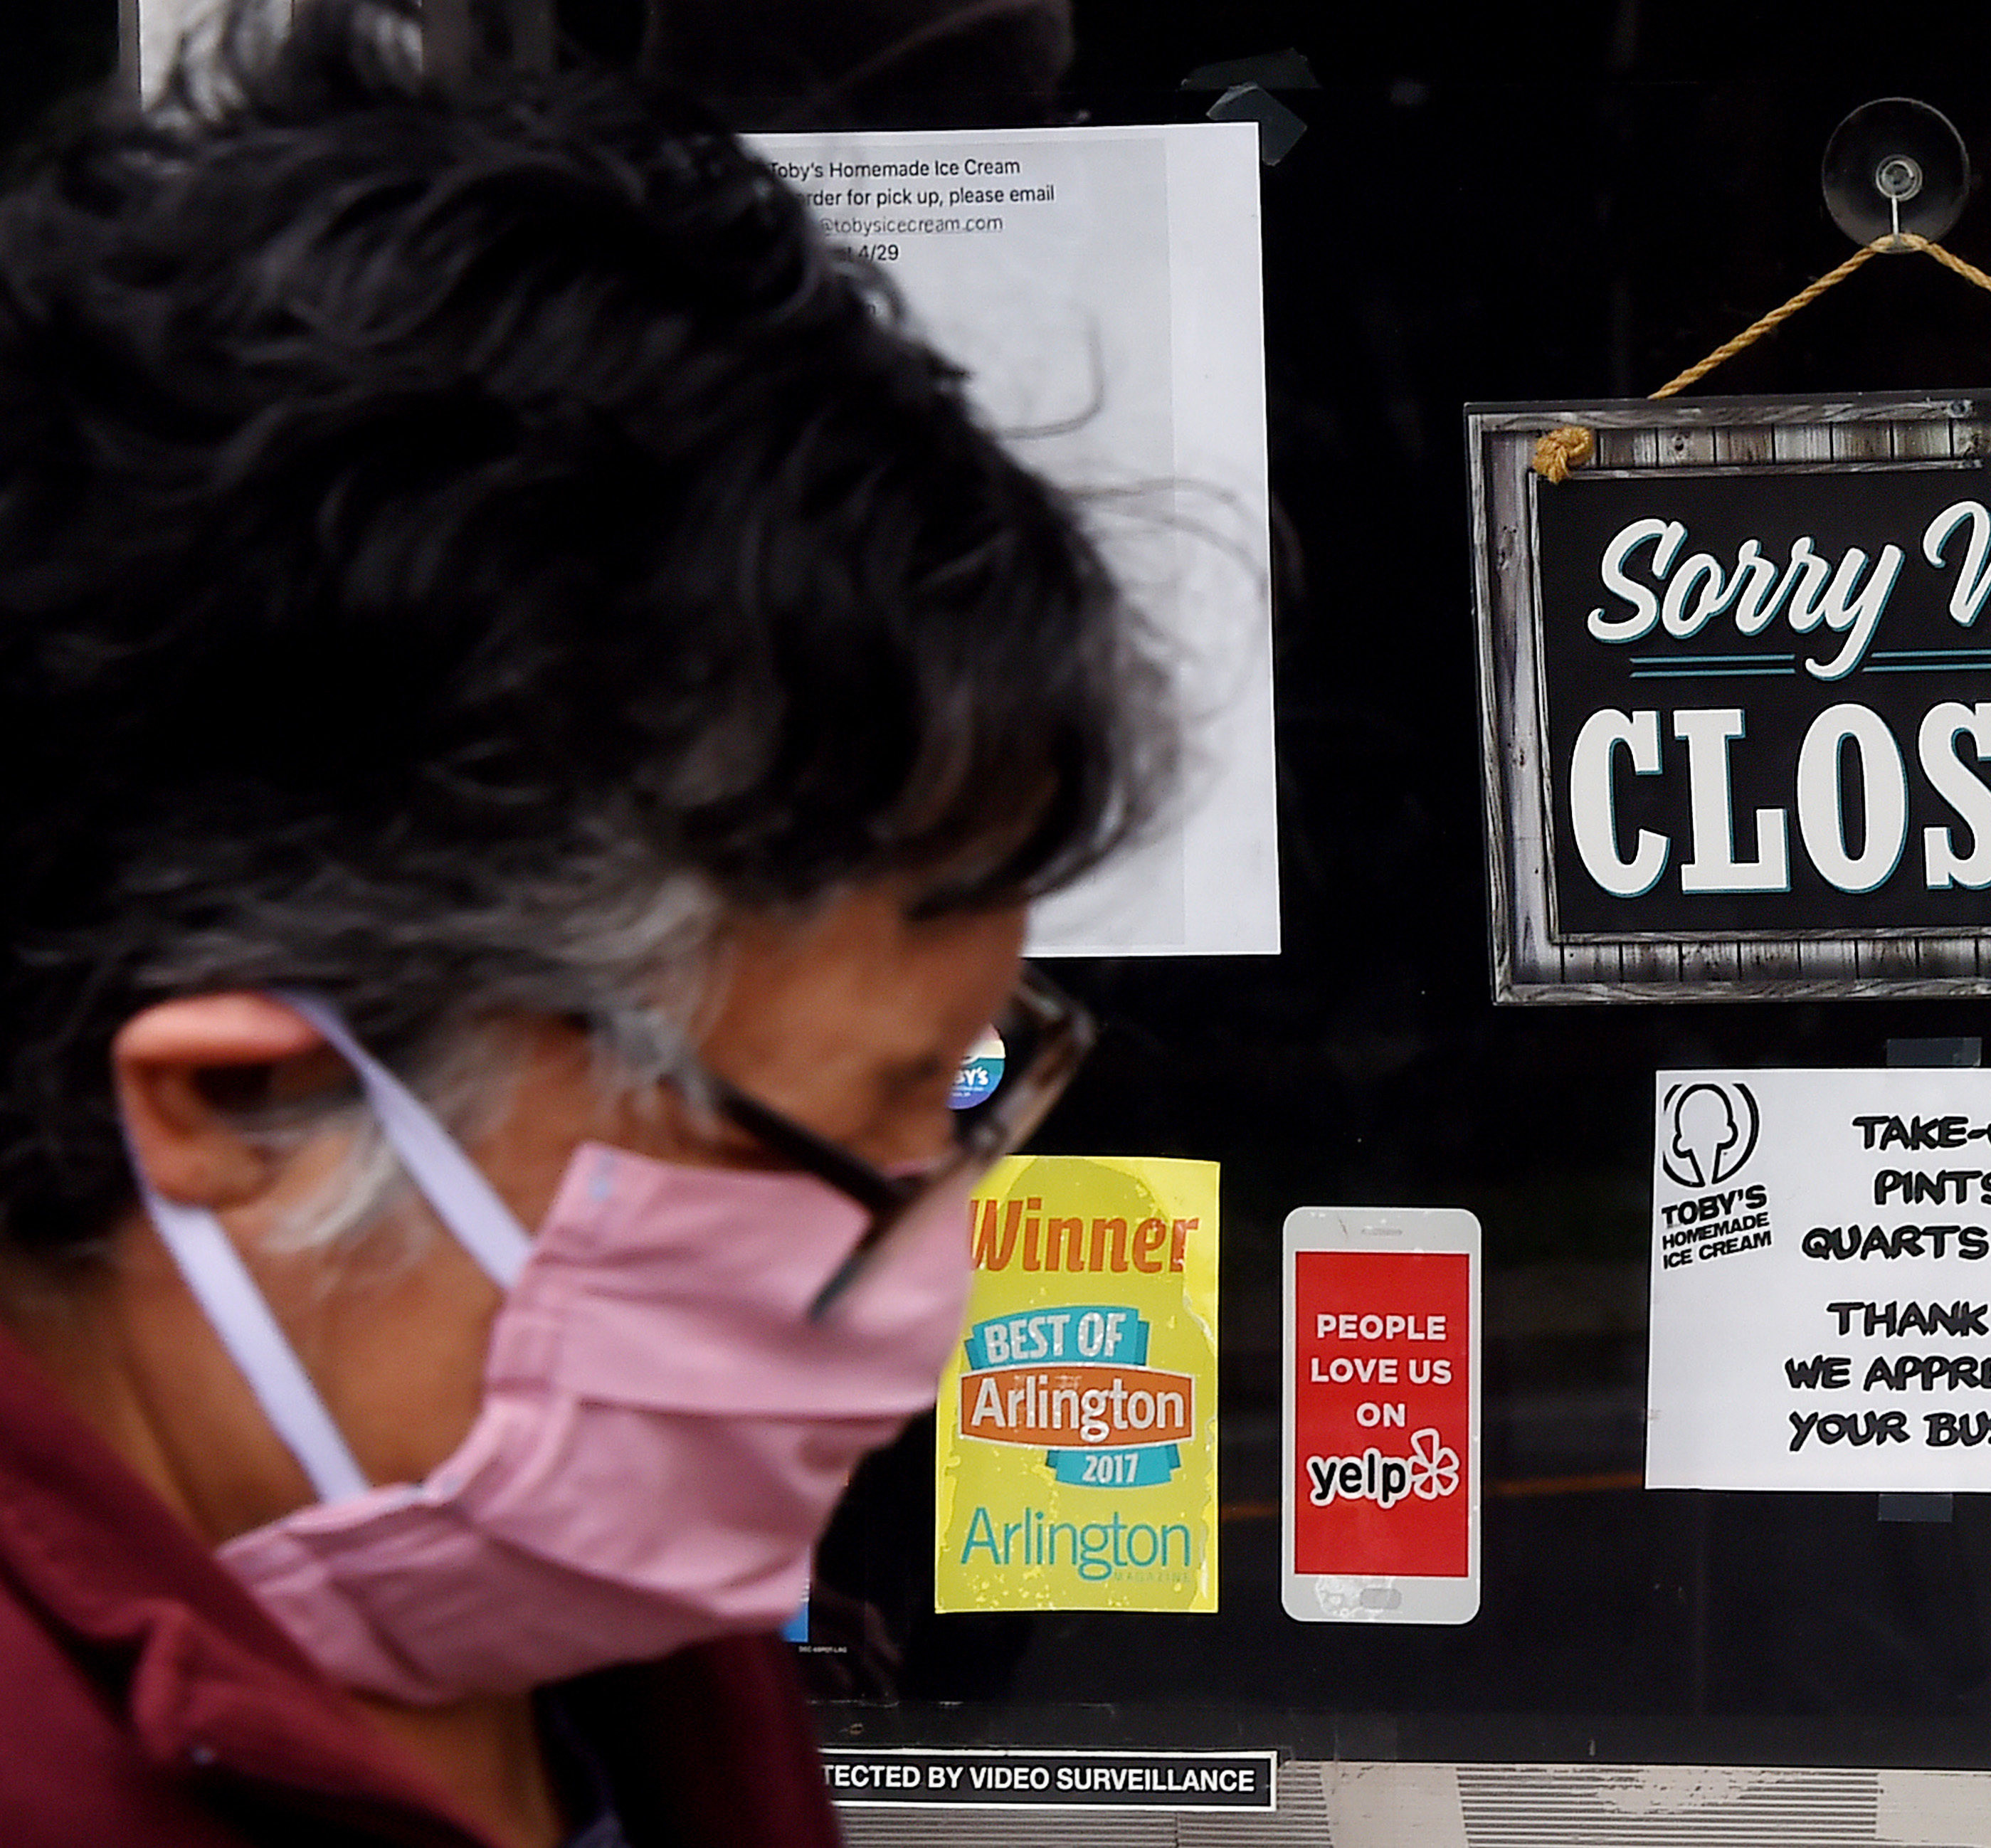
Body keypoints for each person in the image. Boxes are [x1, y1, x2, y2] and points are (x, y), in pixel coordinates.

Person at [0, 2, 1168, 1842]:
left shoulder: (585, 1613)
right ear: (245, 1112)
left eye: (961, 1104)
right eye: (839, 1136)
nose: (930, 1305)